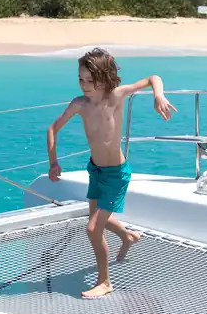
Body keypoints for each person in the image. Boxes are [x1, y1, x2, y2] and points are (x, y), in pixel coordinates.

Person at [47, 47, 177, 299]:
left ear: (105, 78)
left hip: (116, 174)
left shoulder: (117, 95)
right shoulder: (79, 105)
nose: (84, 85)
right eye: (81, 79)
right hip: (95, 170)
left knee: (93, 228)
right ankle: (127, 236)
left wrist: (158, 96)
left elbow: (153, 78)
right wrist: (54, 163)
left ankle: (105, 281)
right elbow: (53, 129)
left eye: (90, 80)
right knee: (96, 218)